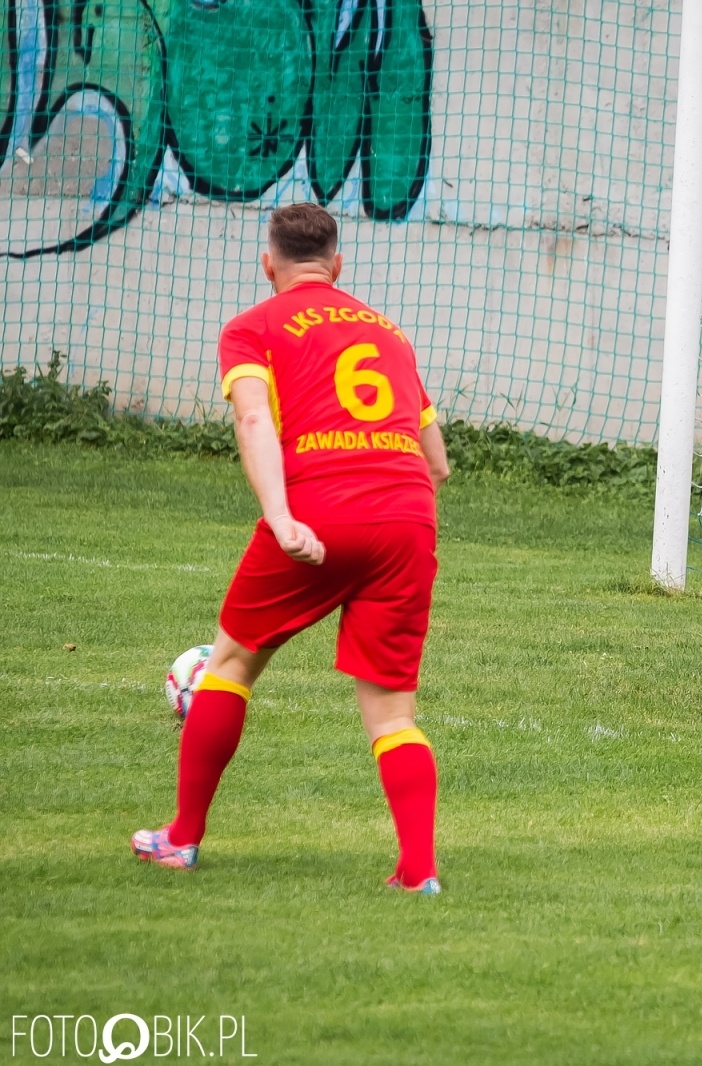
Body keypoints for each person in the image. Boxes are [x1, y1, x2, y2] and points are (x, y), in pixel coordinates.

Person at [131, 203, 452, 895]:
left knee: (233, 662)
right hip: (406, 520)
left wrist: (279, 515)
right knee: (393, 714)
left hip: (318, 510)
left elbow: (253, 416)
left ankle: (181, 839)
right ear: (338, 265)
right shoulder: (388, 332)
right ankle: (418, 872)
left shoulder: (253, 327)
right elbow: (439, 463)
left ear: (267, 262)